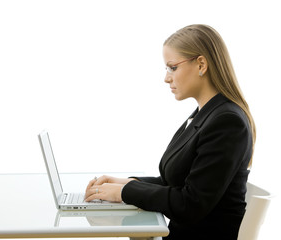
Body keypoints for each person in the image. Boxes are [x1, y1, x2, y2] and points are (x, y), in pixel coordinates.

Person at [84, 24, 256, 240]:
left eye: (172, 67)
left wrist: (123, 193)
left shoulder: (227, 122)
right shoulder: (206, 114)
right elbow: (175, 184)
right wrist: (126, 183)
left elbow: (190, 204)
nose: (167, 78)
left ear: (201, 64)